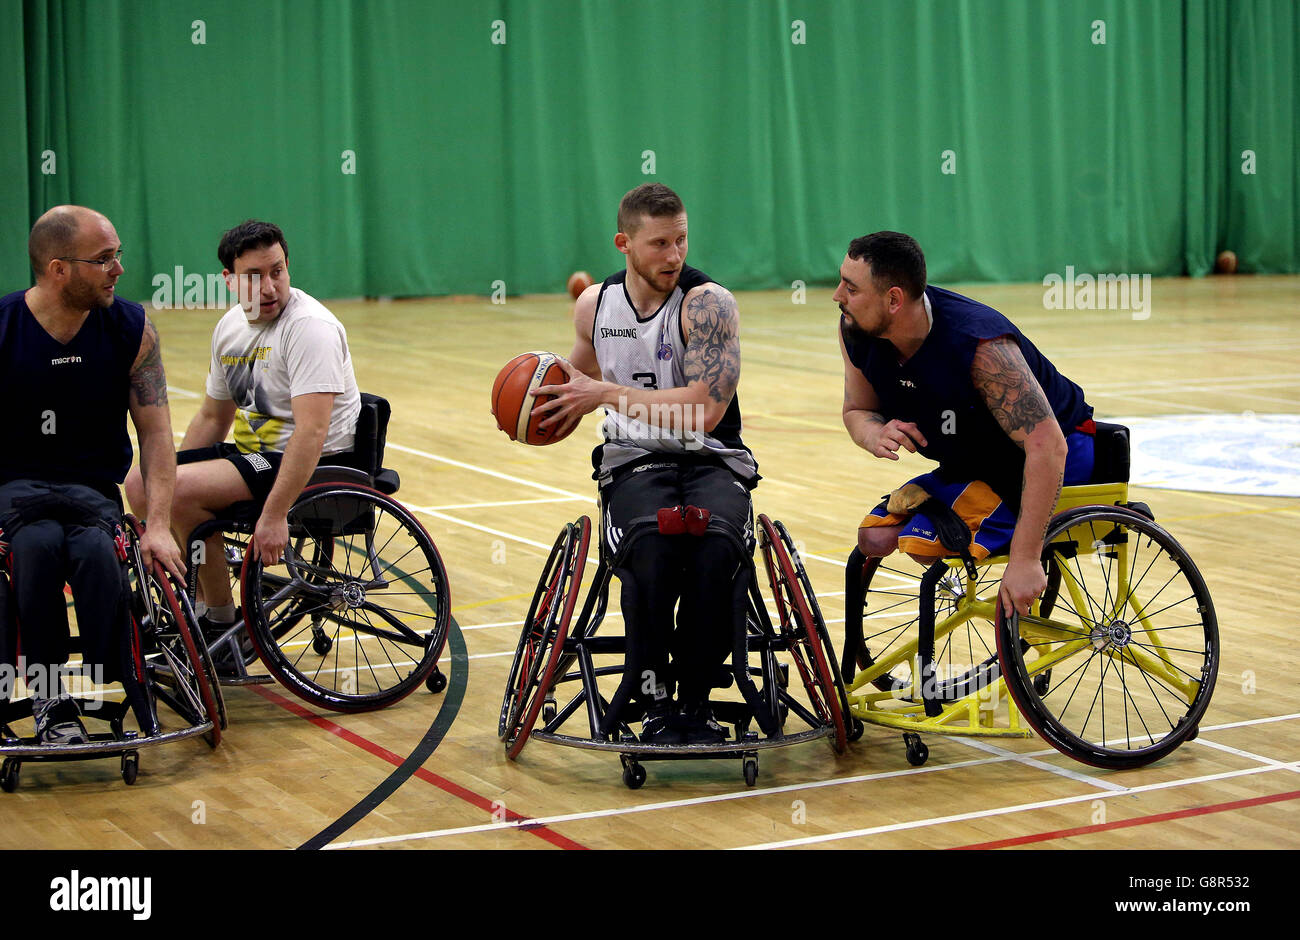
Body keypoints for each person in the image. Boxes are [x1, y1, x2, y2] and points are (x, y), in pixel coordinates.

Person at [533, 183, 759, 744]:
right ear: (624, 243)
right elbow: (576, 385)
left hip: (712, 457)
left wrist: (605, 394)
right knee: (651, 553)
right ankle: (654, 695)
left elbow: (705, 411)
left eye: (681, 240)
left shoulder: (708, 304)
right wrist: (538, 410)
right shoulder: (595, 306)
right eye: (659, 243)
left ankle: (698, 698)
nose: (674, 254)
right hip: (634, 461)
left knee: (716, 550)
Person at [125, 220, 360, 654]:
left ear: (288, 266)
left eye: (278, 271)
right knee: (144, 483)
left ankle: (219, 624)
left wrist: (274, 516)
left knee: (176, 493)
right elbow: (213, 416)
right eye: (254, 276)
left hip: (317, 463)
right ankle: (196, 605)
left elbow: (311, 431)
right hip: (255, 455)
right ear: (229, 280)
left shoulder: (310, 328)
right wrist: (171, 472)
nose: (270, 287)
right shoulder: (231, 327)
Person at [835, 231, 1096, 619]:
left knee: (922, 542)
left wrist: (1025, 560)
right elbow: (857, 408)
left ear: (893, 299)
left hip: (1052, 456)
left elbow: (1048, 447)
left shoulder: (979, 346)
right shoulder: (856, 329)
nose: (838, 295)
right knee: (874, 537)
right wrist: (874, 432)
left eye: (851, 288)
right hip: (975, 461)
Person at [0, 205, 184, 744]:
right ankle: (51, 702)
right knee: (34, 549)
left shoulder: (132, 328)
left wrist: (157, 524)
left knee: (97, 556)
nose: (118, 269)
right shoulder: (5, 329)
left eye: (118, 255)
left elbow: (155, 434)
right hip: (14, 491)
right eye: (104, 259)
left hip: (92, 492)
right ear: (59, 269)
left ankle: (119, 682)